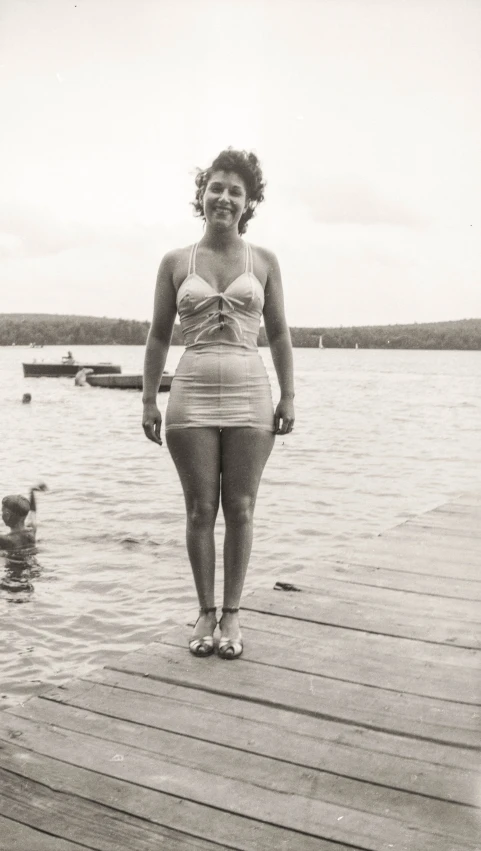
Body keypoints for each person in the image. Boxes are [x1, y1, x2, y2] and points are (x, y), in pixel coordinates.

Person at [142, 148, 295, 660]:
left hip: (252, 390)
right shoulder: (174, 262)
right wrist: (148, 398)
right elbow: (159, 338)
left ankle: (232, 614)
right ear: (202, 193)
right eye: (217, 187)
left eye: (236, 191)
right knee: (199, 509)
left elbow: (278, 334)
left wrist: (289, 393)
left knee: (242, 507)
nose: (224, 197)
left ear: (248, 202)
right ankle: (204, 610)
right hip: (191, 393)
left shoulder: (265, 261)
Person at [0, 484, 47, 553]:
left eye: (2, 512)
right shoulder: (32, 530)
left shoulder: (5, 539)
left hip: (12, 563)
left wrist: (32, 492)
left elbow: (32, 511)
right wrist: (32, 492)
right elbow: (33, 512)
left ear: (7, 515)